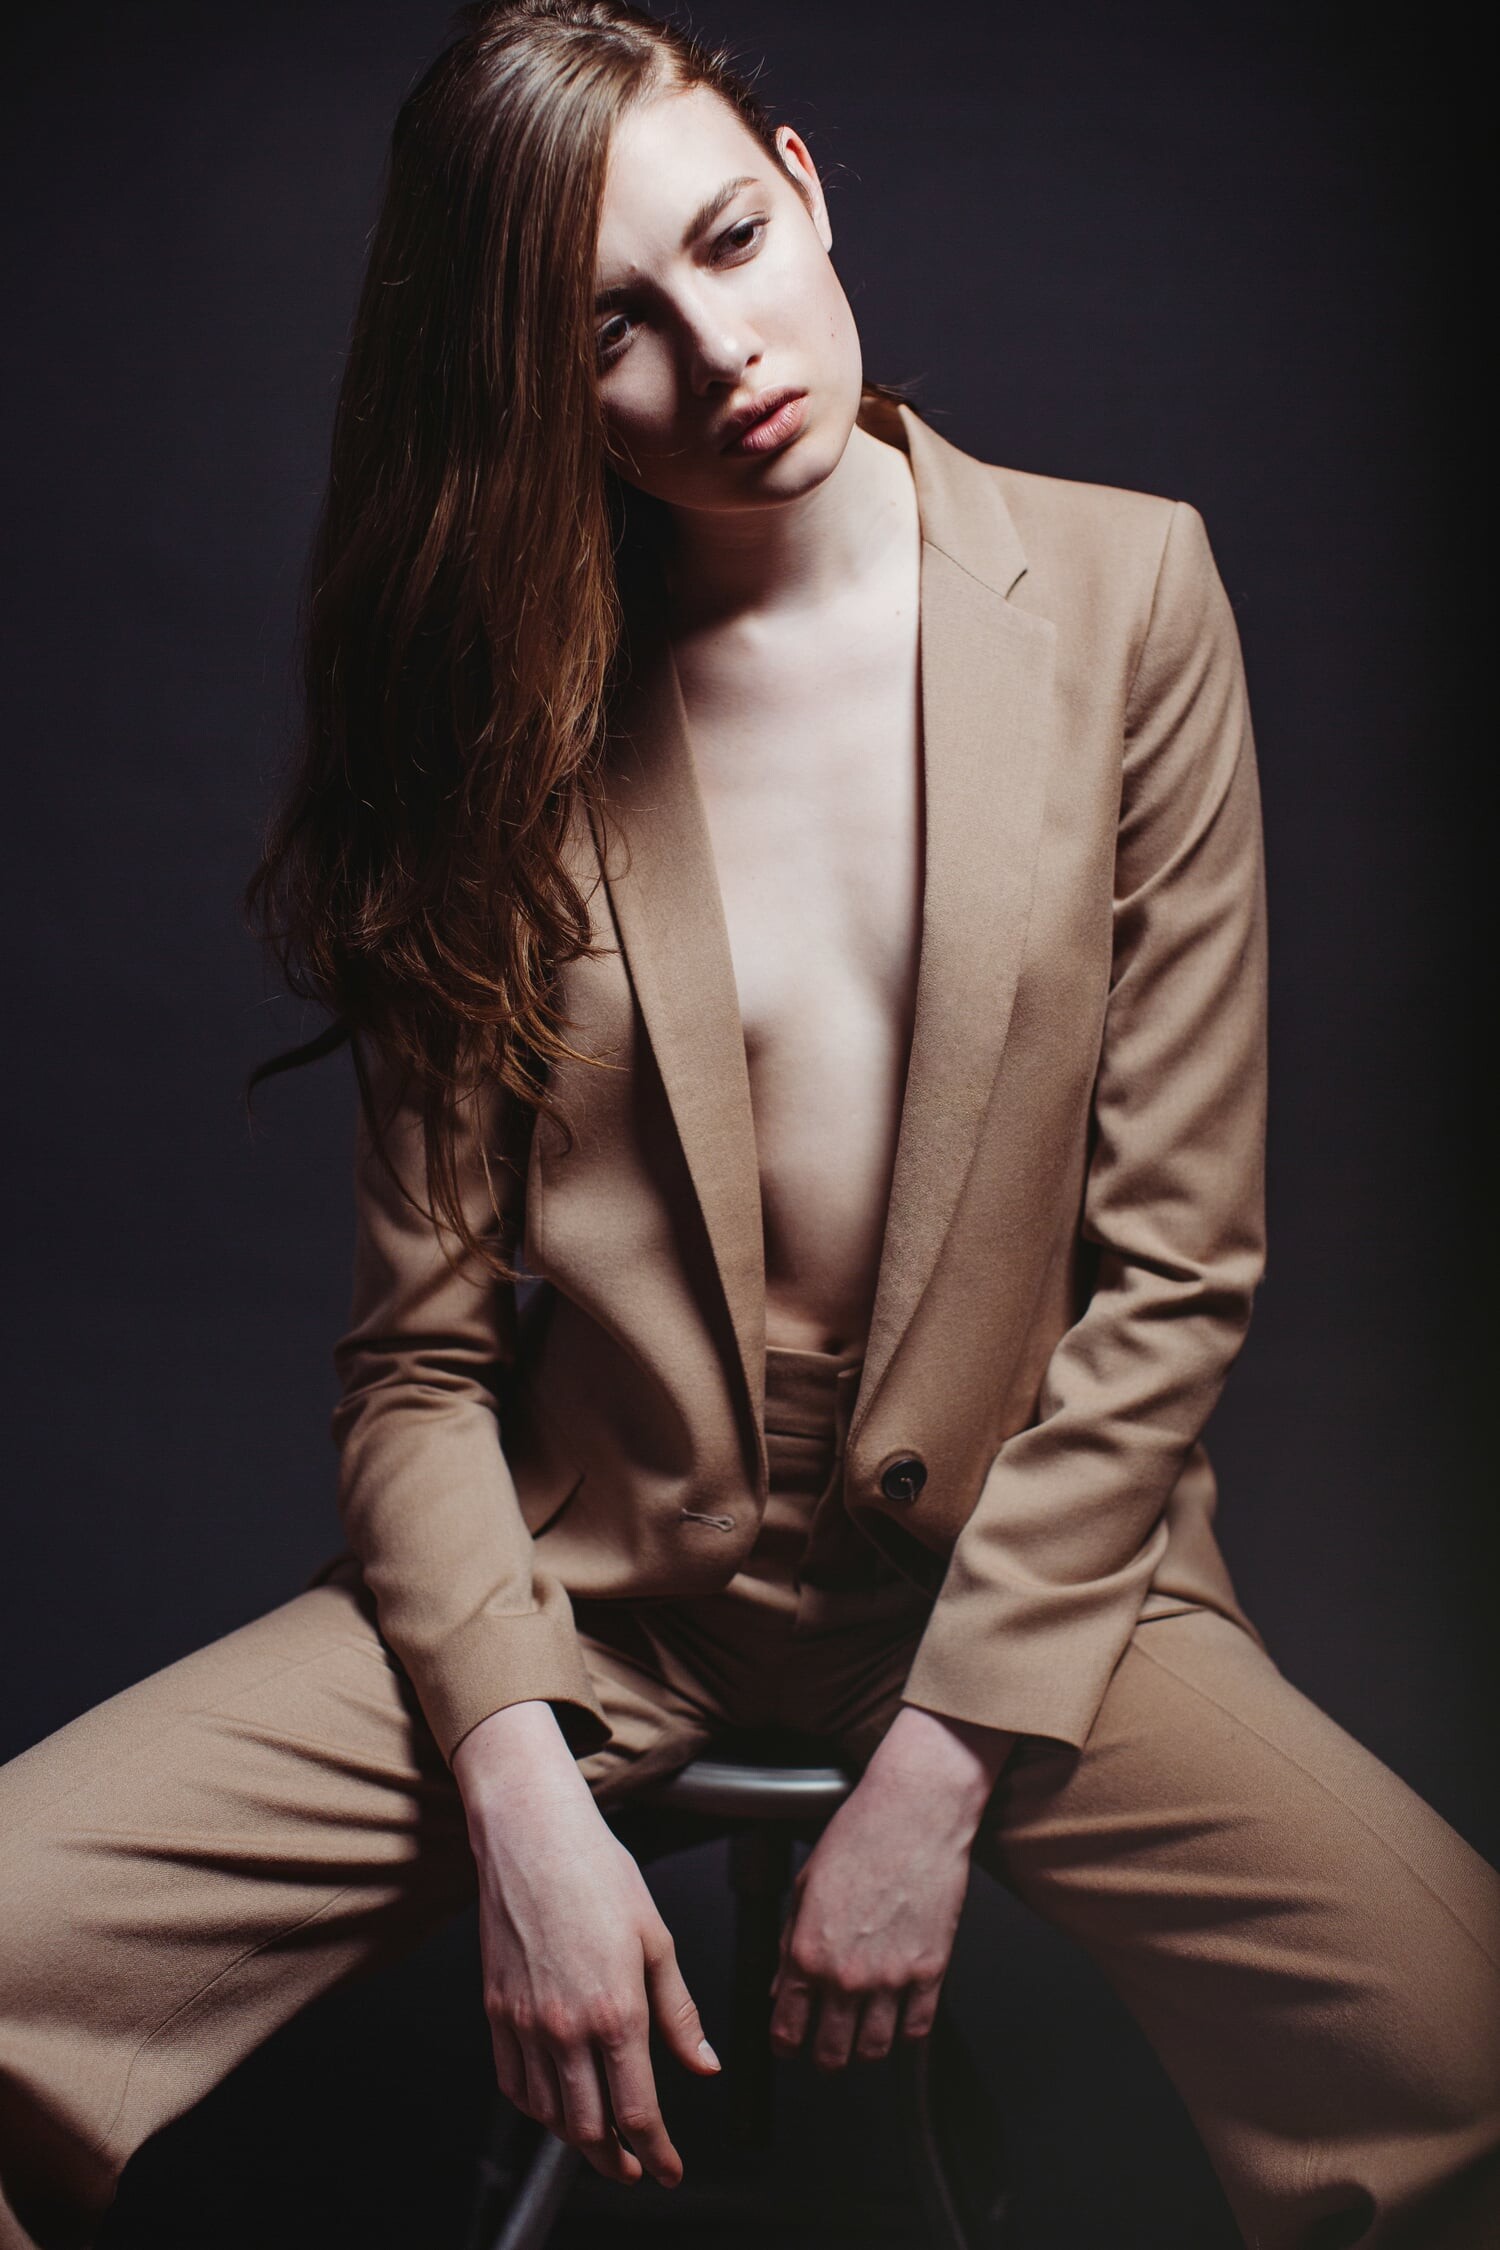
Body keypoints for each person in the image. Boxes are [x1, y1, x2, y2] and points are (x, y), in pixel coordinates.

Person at [1, 3, 1497, 2245]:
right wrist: (518, 1795)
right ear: (539, 389)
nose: (723, 356)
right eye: (611, 328)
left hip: (1030, 1574)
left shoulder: (1126, 597)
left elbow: (1180, 1268)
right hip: (583, 1586)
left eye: (726, 241)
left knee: (1464, 2039)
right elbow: (413, 1370)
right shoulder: (492, 713)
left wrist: (945, 1763)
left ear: (802, 184)